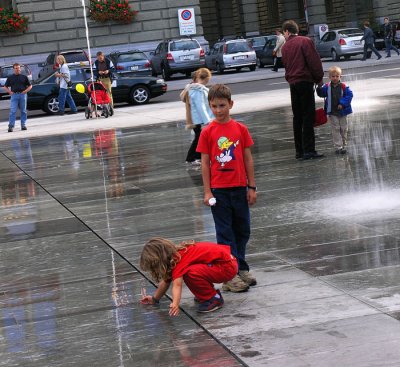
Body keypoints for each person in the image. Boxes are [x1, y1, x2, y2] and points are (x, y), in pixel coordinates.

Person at [196, 84, 257, 293]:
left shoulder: (240, 129)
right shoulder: (207, 132)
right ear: (209, 106)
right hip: (219, 191)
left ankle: (240, 267)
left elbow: (247, 158)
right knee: (225, 234)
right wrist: (207, 191)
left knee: (243, 230)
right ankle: (228, 276)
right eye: (214, 106)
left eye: (222, 105)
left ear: (231, 104)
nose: (219, 110)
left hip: (240, 188)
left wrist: (252, 186)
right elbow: (205, 163)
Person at [139, 237, 238, 314]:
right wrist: (154, 299)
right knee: (191, 271)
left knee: (190, 273)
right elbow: (166, 281)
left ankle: (213, 299)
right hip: (224, 263)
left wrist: (175, 304)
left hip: (226, 267)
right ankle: (207, 294)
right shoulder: (175, 257)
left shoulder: (178, 260)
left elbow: (177, 285)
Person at [281, 20, 324, 160]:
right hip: (305, 82)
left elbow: (287, 67)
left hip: (293, 84)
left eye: (284, 33)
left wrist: (290, 79)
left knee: (297, 117)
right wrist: (319, 79)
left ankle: (299, 151)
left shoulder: (285, 47)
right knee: (308, 116)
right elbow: (314, 61)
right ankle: (309, 150)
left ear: (287, 32)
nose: (284, 36)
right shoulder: (305, 41)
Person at [180, 68, 215, 166]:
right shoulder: (197, 90)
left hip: (197, 119)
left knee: (199, 138)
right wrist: (207, 121)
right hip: (199, 120)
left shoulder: (194, 88)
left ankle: (197, 157)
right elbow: (201, 106)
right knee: (199, 139)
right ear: (206, 78)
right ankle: (191, 158)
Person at [316, 66, 353, 155]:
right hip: (332, 112)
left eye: (337, 76)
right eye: (333, 76)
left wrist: (342, 103)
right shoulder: (327, 86)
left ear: (340, 76)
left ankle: (344, 144)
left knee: (343, 128)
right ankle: (338, 147)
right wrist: (319, 87)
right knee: (335, 129)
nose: (335, 78)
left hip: (342, 112)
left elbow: (349, 95)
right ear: (329, 77)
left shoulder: (344, 86)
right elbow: (321, 94)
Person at [3, 63, 32, 132]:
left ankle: (23, 125)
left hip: (23, 95)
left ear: (20, 68)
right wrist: (9, 92)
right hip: (14, 96)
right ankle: (11, 126)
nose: (17, 69)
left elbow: (30, 86)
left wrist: (25, 91)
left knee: (23, 111)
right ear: (13, 69)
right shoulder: (10, 77)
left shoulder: (24, 77)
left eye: (18, 68)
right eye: (16, 68)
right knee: (13, 111)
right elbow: (5, 86)